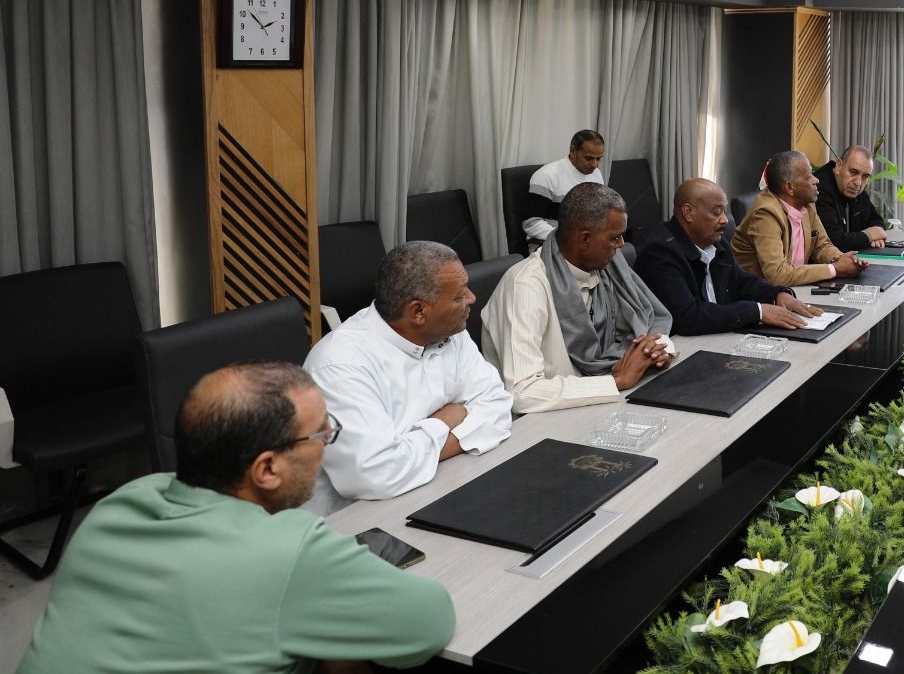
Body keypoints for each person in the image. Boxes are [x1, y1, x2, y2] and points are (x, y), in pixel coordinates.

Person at [19, 362, 454, 673]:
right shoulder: (290, 550)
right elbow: (429, 622)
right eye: (322, 432)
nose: (328, 441)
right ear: (267, 469)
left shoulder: (118, 505)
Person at [303, 241, 513, 514]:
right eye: (459, 296)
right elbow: (377, 474)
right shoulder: (339, 365)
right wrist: (446, 419)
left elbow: (498, 406)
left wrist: (411, 449)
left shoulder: (450, 330)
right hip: (358, 518)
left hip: (444, 484)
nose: (471, 298)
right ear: (418, 312)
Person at [481, 182, 674, 413]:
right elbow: (522, 393)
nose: (621, 245)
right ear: (584, 240)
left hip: (595, 402)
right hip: (542, 419)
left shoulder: (606, 268)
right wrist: (615, 382)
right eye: (614, 238)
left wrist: (654, 352)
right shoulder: (526, 286)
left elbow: (643, 324)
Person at [635, 177, 822, 335]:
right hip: (683, 349)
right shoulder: (660, 253)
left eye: (724, 212)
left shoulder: (714, 241)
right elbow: (688, 318)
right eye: (716, 212)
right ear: (688, 212)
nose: (724, 220)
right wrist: (757, 311)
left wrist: (777, 294)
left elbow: (741, 281)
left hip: (718, 337)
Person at [732, 150, 867, 286]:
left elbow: (822, 246)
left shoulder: (807, 203)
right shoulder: (766, 213)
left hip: (793, 288)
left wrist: (842, 259)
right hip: (757, 292)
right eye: (809, 176)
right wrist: (834, 269)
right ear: (790, 187)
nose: (816, 180)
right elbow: (777, 275)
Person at [524, 128, 606, 247]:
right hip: (552, 243)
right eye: (588, 158)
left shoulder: (596, 174)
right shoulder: (546, 176)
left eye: (598, 158)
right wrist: (568, 238)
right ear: (573, 151)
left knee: (620, 253)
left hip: (585, 242)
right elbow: (531, 223)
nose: (594, 164)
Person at [814, 145, 888, 251]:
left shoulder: (853, 188)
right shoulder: (818, 189)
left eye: (865, 176)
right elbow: (834, 242)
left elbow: (876, 220)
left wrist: (877, 235)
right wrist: (869, 235)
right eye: (853, 172)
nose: (858, 183)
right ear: (839, 166)